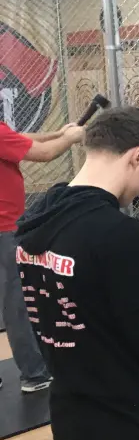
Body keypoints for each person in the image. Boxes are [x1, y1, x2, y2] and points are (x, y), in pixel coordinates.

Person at [14, 106, 139, 440]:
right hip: (130, 430)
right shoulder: (119, 233)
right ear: (137, 157)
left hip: (76, 426)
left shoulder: (38, 222)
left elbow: (82, 289)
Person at [0, 119, 84, 394]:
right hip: (5, 230)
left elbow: (17, 136)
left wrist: (59, 132)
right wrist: (70, 138)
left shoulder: (3, 134)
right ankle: (34, 374)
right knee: (18, 304)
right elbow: (44, 154)